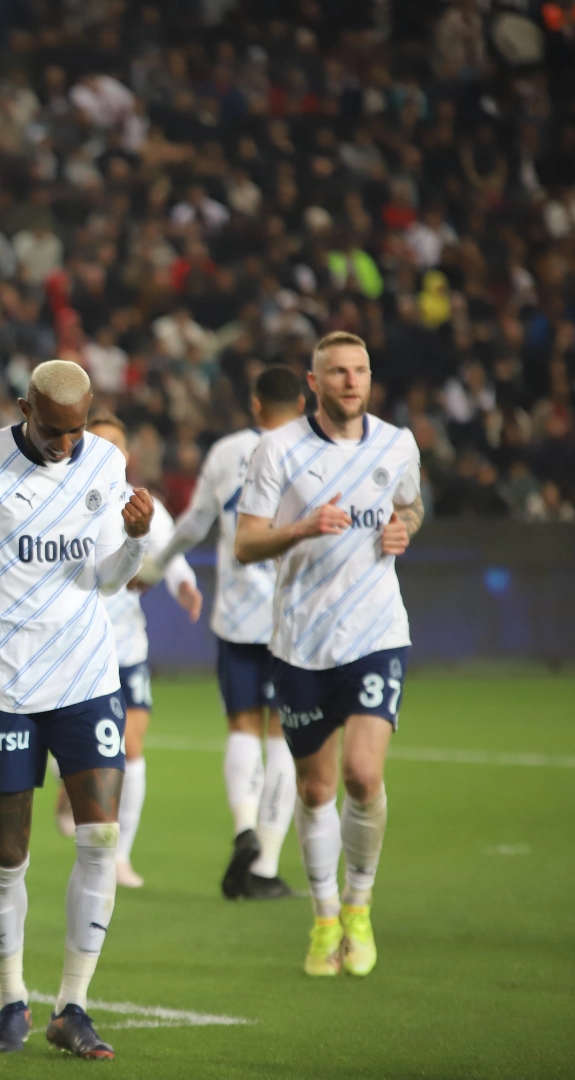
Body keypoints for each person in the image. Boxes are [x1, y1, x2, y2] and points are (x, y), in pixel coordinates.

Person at [0, 359, 155, 1059]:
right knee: (8, 851)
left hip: (86, 677)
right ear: (25, 408)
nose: (65, 445)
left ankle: (72, 1006)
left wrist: (136, 539)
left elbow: (106, 579)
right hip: (4, 686)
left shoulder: (102, 461)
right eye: (53, 431)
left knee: (99, 840)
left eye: (76, 431)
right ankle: (10, 1000)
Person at [235, 332, 424, 978]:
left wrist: (402, 529)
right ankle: (322, 920)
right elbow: (245, 544)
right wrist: (302, 527)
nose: (350, 381)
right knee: (315, 788)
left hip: (376, 633)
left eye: (359, 370)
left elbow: (410, 507)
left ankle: (358, 907)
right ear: (313, 383)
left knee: (362, 776)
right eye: (337, 372)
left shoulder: (396, 443)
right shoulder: (277, 449)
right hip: (300, 642)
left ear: (369, 377)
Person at [153, 366, 307, 900]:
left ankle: (244, 825)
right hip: (296, 618)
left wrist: (156, 567)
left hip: (239, 617)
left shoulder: (226, 452)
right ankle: (265, 865)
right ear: (302, 406)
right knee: (283, 735)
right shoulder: (314, 452)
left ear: (256, 405)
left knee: (242, 726)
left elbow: (195, 523)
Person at [51, 415, 202, 890]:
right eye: (100, 441)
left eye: (118, 443)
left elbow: (169, 552)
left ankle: (119, 855)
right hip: (71, 648)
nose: (110, 450)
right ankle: (67, 783)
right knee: (77, 748)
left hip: (125, 647)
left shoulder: (142, 504)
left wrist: (184, 585)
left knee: (129, 747)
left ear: (127, 453)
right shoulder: (58, 500)